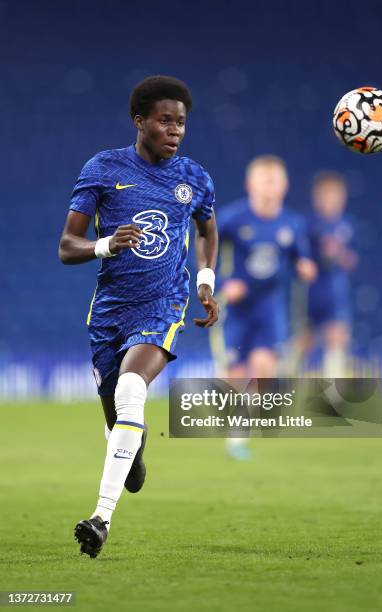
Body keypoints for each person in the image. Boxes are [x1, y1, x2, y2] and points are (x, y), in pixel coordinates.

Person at [59, 76, 218, 558]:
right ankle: (134, 449)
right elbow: (67, 247)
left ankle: (100, 518)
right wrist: (106, 244)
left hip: (163, 305)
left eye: (181, 122)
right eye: (165, 120)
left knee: (132, 390)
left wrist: (205, 281)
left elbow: (209, 230)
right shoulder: (103, 170)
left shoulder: (195, 178)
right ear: (140, 122)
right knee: (119, 416)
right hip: (109, 314)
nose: (175, 130)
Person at [212, 155, 316, 459]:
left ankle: (239, 434)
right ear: (250, 185)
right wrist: (223, 283)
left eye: (275, 182)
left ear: (284, 187)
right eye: (264, 181)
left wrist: (305, 267)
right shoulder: (232, 218)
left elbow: (301, 257)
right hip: (238, 309)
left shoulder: (292, 224)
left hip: (270, 306)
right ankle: (236, 425)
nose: (269, 188)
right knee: (236, 375)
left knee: (262, 368)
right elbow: (210, 250)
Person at [302, 171, 358, 376]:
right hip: (310, 292)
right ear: (316, 197)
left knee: (337, 336)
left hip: (335, 291)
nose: (332, 201)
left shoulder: (347, 225)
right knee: (303, 340)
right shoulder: (308, 224)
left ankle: (333, 395)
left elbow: (351, 259)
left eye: (337, 196)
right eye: (326, 196)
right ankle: (283, 384)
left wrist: (339, 254)